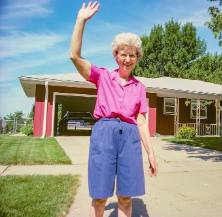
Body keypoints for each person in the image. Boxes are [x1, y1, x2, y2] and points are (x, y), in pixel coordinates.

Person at [70, 2, 158, 217]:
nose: (127, 59)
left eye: (132, 55)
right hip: (104, 134)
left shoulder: (140, 88)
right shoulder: (102, 76)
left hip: (129, 138)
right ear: (116, 55)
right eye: (123, 54)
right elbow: (74, 56)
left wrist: (151, 153)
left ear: (137, 58)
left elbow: (141, 121)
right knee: (100, 197)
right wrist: (81, 20)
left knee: (126, 197)